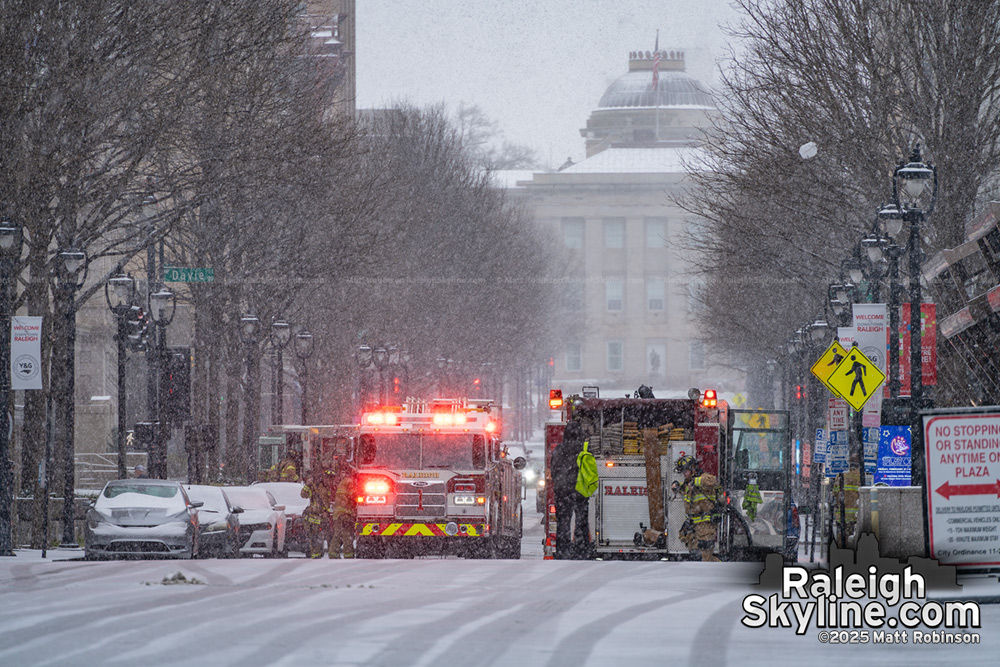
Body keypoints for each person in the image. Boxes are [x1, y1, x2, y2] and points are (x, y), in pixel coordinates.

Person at [552, 421, 592, 559]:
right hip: (580, 491)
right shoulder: (584, 450)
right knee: (581, 521)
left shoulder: (558, 449)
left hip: (562, 492)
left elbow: (554, 471)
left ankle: (562, 550)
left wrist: (560, 485)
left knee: (563, 523)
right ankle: (581, 550)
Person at [674, 455, 720, 562]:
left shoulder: (703, 478)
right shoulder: (688, 483)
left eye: (686, 471)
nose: (684, 474)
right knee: (696, 558)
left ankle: (720, 570)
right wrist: (678, 486)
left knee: (706, 559)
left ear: (693, 468)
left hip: (706, 527)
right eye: (683, 472)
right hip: (694, 527)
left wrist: (697, 481)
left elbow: (712, 480)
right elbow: (689, 494)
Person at [300, 469, 334, 558]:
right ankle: (316, 556)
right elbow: (303, 494)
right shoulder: (317, 488)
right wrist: (307, 485)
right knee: (315, 538)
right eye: (328, 478)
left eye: (331, 478)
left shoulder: (333, 488)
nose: (329, 480)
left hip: (329, 517)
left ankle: (333, 556)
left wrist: (327, 512)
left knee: (332, 538)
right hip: (317, 517)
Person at [329, 470, 356, 559]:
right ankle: (348, 557)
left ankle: (333, 554)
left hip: (339, 514)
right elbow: (354, 496)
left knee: (338, 535)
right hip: (345, 514)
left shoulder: (343, 482)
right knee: (347, 537)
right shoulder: (349, 482)